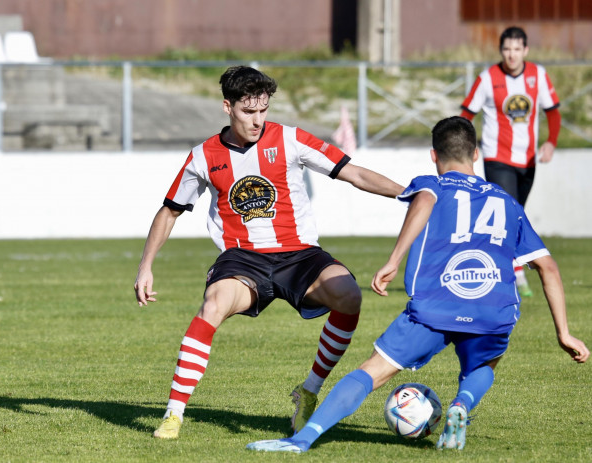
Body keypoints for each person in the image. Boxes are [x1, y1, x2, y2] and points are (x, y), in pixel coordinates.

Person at [246, 116, 588, 453]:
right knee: (483, 365)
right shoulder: (507, 202)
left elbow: (423, 201)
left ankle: (301, 440)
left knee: (372, 372)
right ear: (477, 155)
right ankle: (462, 406)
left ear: (433, 155)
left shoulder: (432, 184)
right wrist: (563, 332)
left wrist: (394, 259)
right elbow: (548, 267)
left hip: (434, 308)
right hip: (493, 309)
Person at [134, 65, 404, 439]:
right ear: (227, 107)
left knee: (348, 295)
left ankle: (309, 391)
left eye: (263, 110)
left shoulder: (291, 139)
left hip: (300, 255)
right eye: (248, 112)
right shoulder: (203, 156)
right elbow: (170, 211)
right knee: (213, 305)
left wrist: (406, 193)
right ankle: (174, 414)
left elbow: (353, 173)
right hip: (243, 258)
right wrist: (145, 266)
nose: (258, 120)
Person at [460, 26, 561, 298]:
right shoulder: (487, 78)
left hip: (527, 159)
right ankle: (513, 275)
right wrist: (465, 149)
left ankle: (507, 268)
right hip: (497, 157)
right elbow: (466, 115)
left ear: (525, 50)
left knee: (516, 216)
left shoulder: (538, 75)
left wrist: (550, 141)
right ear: (501, 50)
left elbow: (552, 112)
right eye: (507, 49)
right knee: (508, 214)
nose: (512, 54)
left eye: (517, 49)